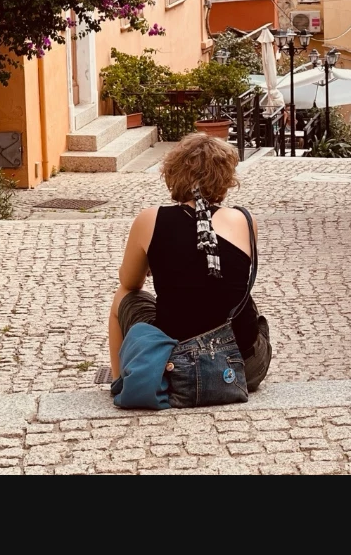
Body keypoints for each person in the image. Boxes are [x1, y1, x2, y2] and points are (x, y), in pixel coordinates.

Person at [96, 131, 272, 395]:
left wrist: (160, 262)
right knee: (240, 292)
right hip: (244, 366)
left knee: (122, 296)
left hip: (176, 367)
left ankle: (121, 380)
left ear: (173, 174)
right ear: (226, 178)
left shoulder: (150, 219)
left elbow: (130, 282)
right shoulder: (245, 220)